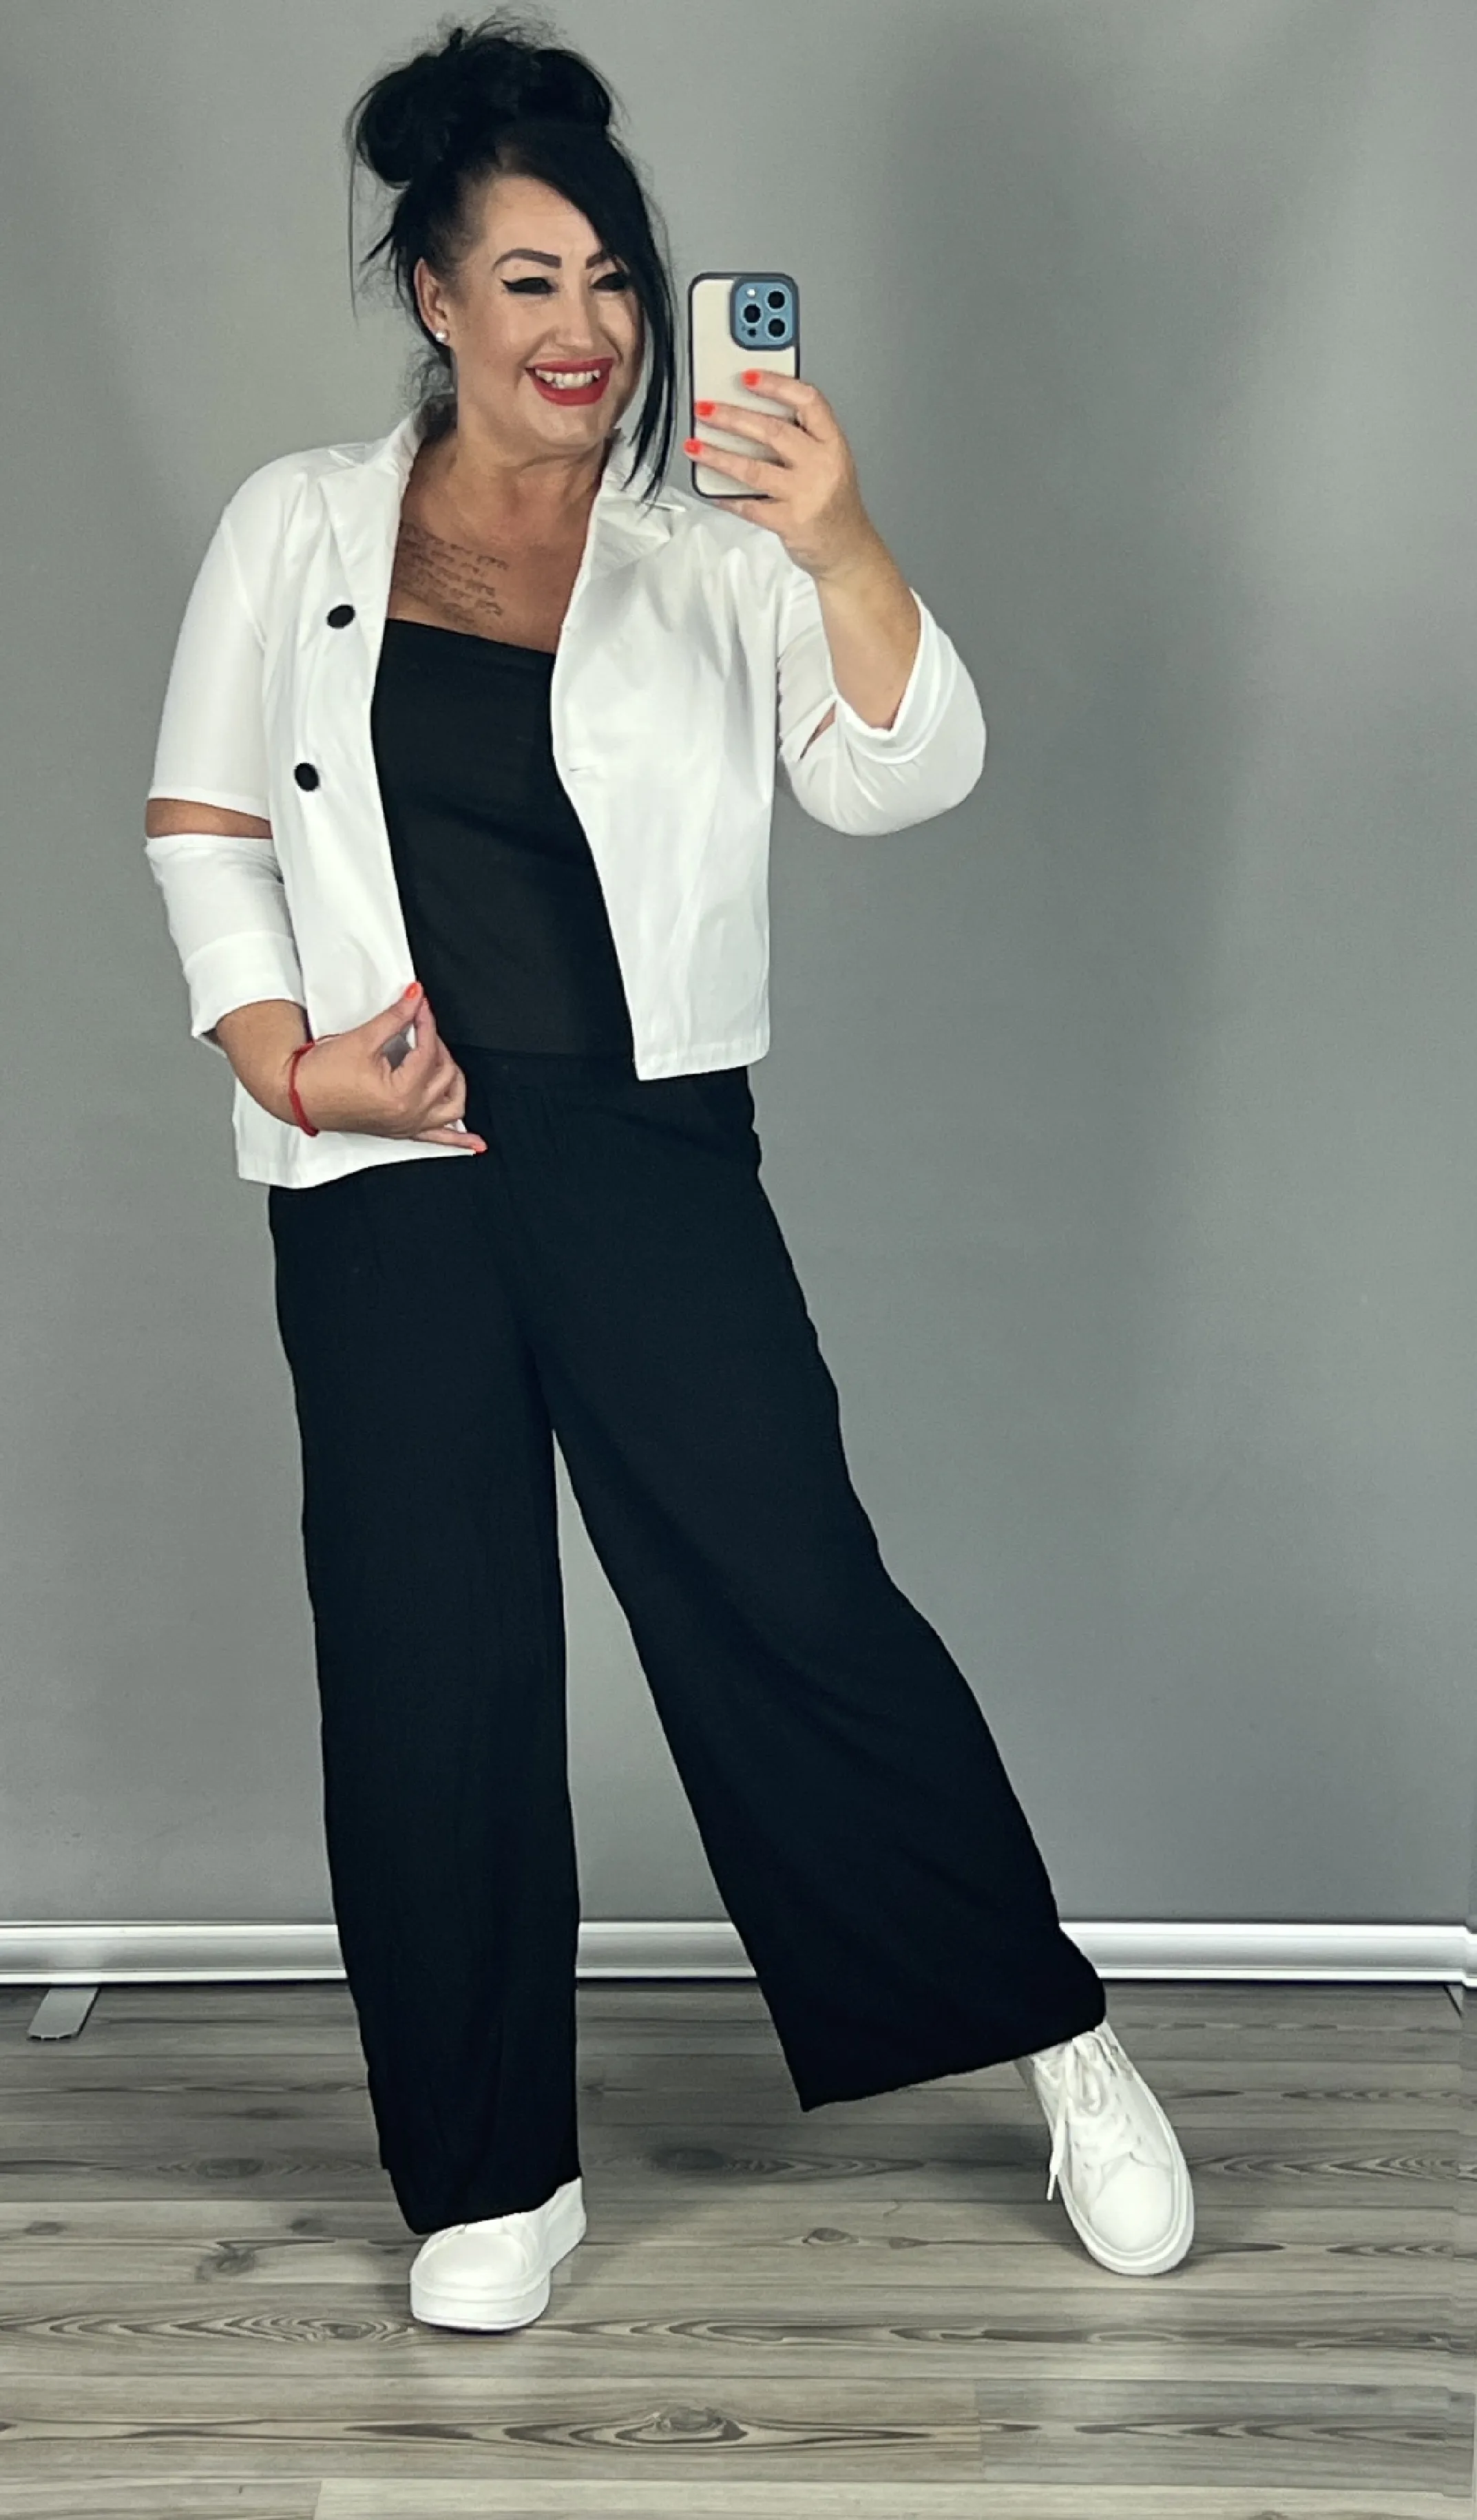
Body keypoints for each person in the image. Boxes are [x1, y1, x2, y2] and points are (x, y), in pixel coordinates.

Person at [143, 10, 1193, 2333]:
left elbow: (904, 770)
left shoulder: (711, 547)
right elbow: (204, 821)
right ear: (436, 294)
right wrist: (296, 1069)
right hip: (386, 1164)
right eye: (531, 280)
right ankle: (492, 2172)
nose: (585, 327)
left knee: (791, 1598)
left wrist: (840, 539)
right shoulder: (298, 524)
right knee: (426, 1657)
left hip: (646, 1144)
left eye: (614, 277)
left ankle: (1053, 2033)